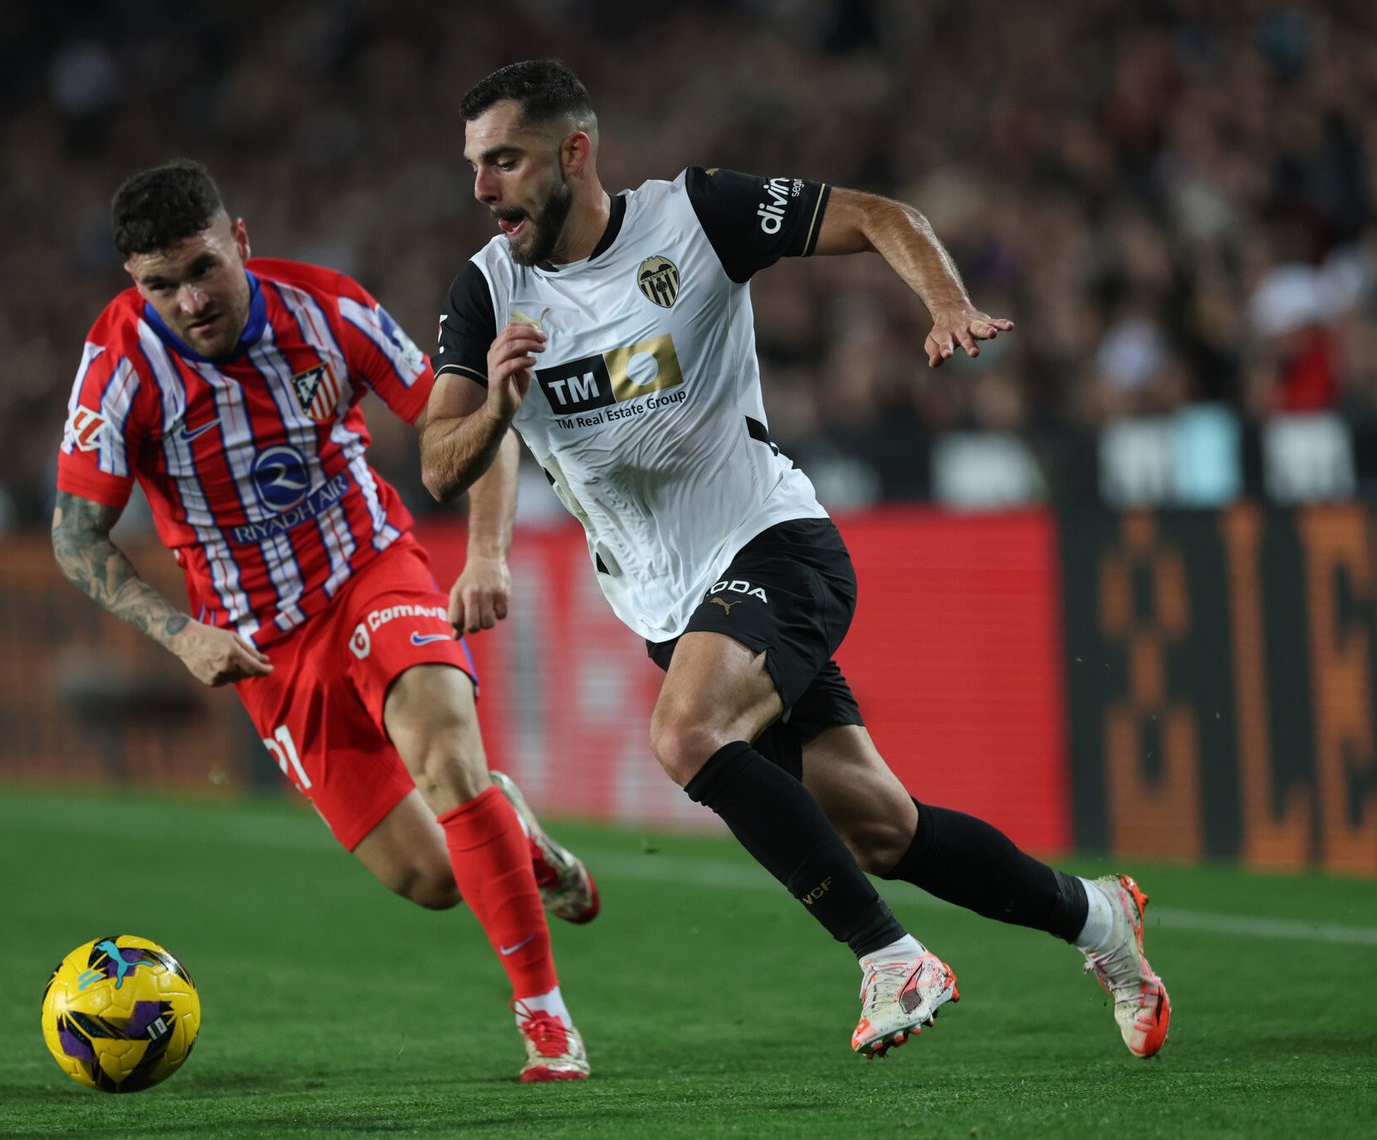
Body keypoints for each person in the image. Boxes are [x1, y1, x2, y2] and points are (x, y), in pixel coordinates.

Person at [420, 60, 1170, 1061]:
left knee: (684, 735)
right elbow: (439, 458)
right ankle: (1096, 918)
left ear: (574, 152)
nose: (483, 188)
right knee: (882, 829)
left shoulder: (695, 215)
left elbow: (879, 213)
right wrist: (499, 424)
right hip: (668, 605)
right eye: (475, 165)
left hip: (773, 543)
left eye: (503, 161)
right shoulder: (486, 291)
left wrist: (944, 303)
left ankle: (890, 959)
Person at [52, 158, 596, 1082]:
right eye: (160, 284)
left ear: (242, 245)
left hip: (370, 568)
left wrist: (490, 553)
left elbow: (465, 425)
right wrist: (179, 633)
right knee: (428, 879)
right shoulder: (117, 369)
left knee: (446, 759)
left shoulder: (327, 310)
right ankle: (517, 832)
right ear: (132, 285)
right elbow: (75, 535)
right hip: (262, 644)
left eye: (202, 269)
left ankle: (547, 1023)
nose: (188, 300)